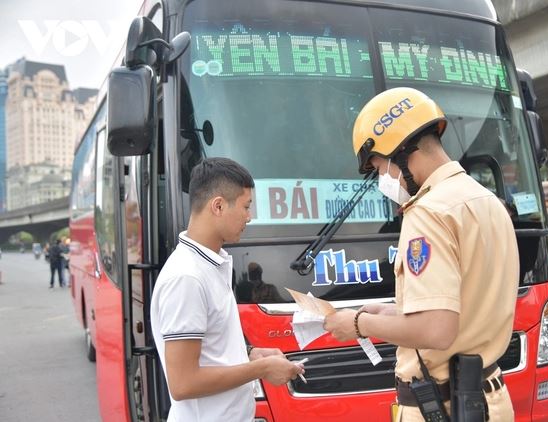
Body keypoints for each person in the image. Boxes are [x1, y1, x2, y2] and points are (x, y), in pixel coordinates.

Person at [323, 88, 519, 421]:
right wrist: (391, 313)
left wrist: (358, 323)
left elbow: (436, 330)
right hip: (490, 400)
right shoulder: (484, 200)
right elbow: (465, 301)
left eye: (379, 167)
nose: (382, 179)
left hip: (443, 407)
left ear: (401, 152)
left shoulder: (429, 212)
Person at [150, 157, 303, 422]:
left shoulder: (210, 264)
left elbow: (211, 350)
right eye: (246, 207)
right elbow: (184, 383)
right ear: (218, 206)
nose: (250, 217)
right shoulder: (187, 277)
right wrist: (260, 368)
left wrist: (250, 355)